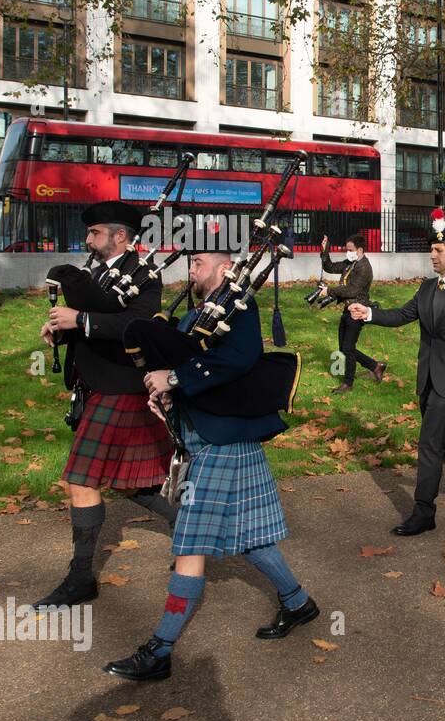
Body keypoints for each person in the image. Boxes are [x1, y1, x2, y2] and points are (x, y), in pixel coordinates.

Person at [103, 250, 317, 681]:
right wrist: (163, 391)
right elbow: (183, 362)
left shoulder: (239, 306)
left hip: (222, 440)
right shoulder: (195, 316)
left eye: (199, 262)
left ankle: (160, 650)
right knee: (251, 537)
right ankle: (298, 603)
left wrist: (177, 380)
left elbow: (239, 359)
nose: (191, 269)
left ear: (223, 269)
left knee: (189, 543)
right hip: (210, 438)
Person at [33, 201, 176, 610]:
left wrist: (79, 320)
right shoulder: (96, 271)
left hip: (121, 386)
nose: (88, 239)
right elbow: (87, 319)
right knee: (133, 483)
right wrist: (60, 329)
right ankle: (193, 529)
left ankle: (80, 579)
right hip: (95, 386)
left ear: (119, 235)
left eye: (95, 233)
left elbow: (136, 325)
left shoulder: (144, 275)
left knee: (82, 478)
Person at [349, 219, 445, 534]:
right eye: (431, 250)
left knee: (430, 442)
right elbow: (402, 315)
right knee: (443, 439)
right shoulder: (426, 287)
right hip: (428, 376)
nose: (432, 255)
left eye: (438, 250)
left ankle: (424, 513)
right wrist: (368, 314)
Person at [319, 233, 385, 393]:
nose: (347, 252)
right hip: (348, 310)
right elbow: (329, 267)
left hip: (358, 311)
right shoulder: (351, 263)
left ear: (360, 250)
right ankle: (375, 366)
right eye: (346, 249)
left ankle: (348, 384)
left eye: (350, 249)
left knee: (348, 348)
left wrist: (329, 291)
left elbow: (352, 289)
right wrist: (324, 250)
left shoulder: (364, 267)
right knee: (344, 348)